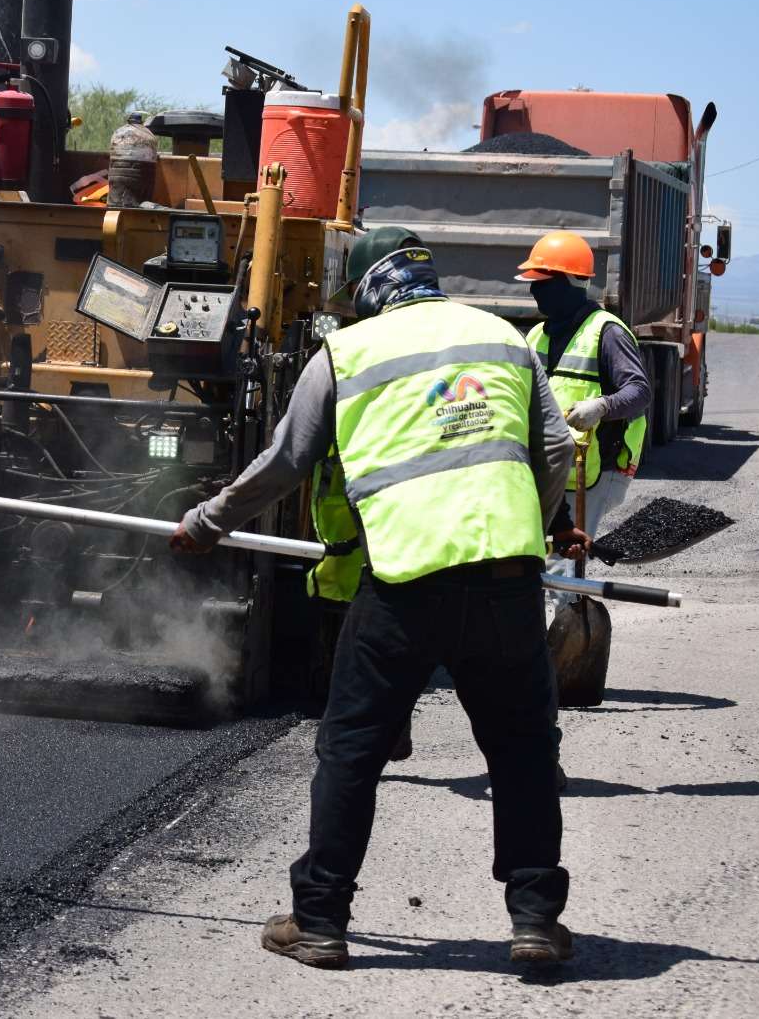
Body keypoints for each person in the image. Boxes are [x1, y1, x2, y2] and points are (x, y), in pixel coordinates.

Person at [171, 227, 581, 969]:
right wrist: (535, 529)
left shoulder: (346, 353)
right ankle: (535, 921)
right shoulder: (503, 337)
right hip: (507, 581)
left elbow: (288, 458)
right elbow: (554, 449)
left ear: (364, 290)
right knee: (523, 752)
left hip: (404, 584)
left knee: (352, 751)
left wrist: (209, 522)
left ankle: (321, 922)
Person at [517, 231, 652, 601]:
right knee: (541, 558)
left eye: (542, 283)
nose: (534, 292)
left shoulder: (606, 332)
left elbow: (639, 391)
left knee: (566, 566)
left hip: (595, 468)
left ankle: (568, 638)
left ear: (569, 283)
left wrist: (602, 407)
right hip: (556, 469)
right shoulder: (536, 336)